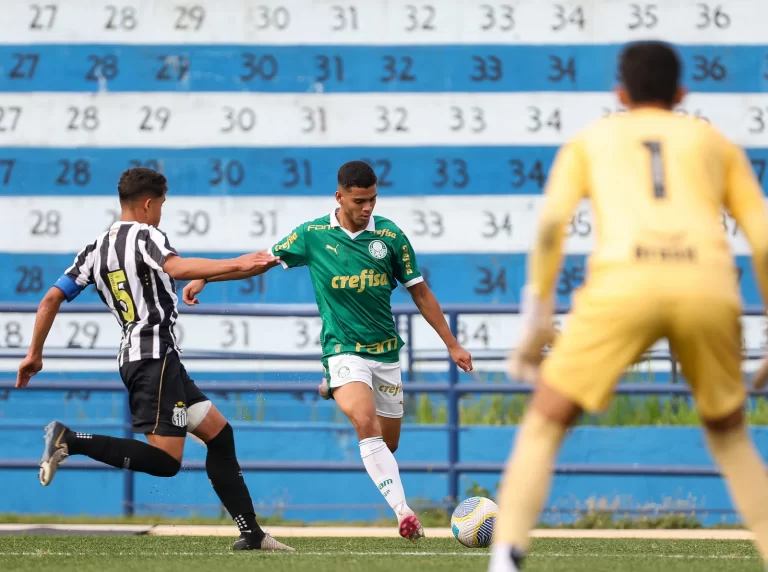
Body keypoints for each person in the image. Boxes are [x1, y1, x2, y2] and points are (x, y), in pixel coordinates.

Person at [489, 41, 768, 571]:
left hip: (623, 283)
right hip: (706, 285)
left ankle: (505, 559)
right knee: (732, 440)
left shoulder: (593, 139)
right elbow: (762, 237)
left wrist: (536, 317)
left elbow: (551, 227)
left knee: (546, 423)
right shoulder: (715, 143)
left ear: (620, 93)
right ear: (682, 93)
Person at [183, 160, 474, 542]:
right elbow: (261, 262)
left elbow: (420, 291)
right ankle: (404, 513)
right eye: (358, 201)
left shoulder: (390, 237)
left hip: (384, 354)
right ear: (339, 196)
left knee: (389, 444)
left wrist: (451, 343)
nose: (367, 207)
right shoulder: (313, 234)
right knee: (364, 424)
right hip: (342, 349)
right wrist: (205, 275)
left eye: (372, 199)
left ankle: (331, 386)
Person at [16, 167, 293, 552]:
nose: (161, 212)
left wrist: (34, 354)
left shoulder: (94, 248)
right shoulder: (147, 234)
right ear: (148, 203)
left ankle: (252, 533)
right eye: (161, 205)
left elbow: (50, 298)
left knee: (220, 435)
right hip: (153, 360)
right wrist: (234, 265)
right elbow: (176, 267)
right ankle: (70, 440)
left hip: (153, 360)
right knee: (166, 461)